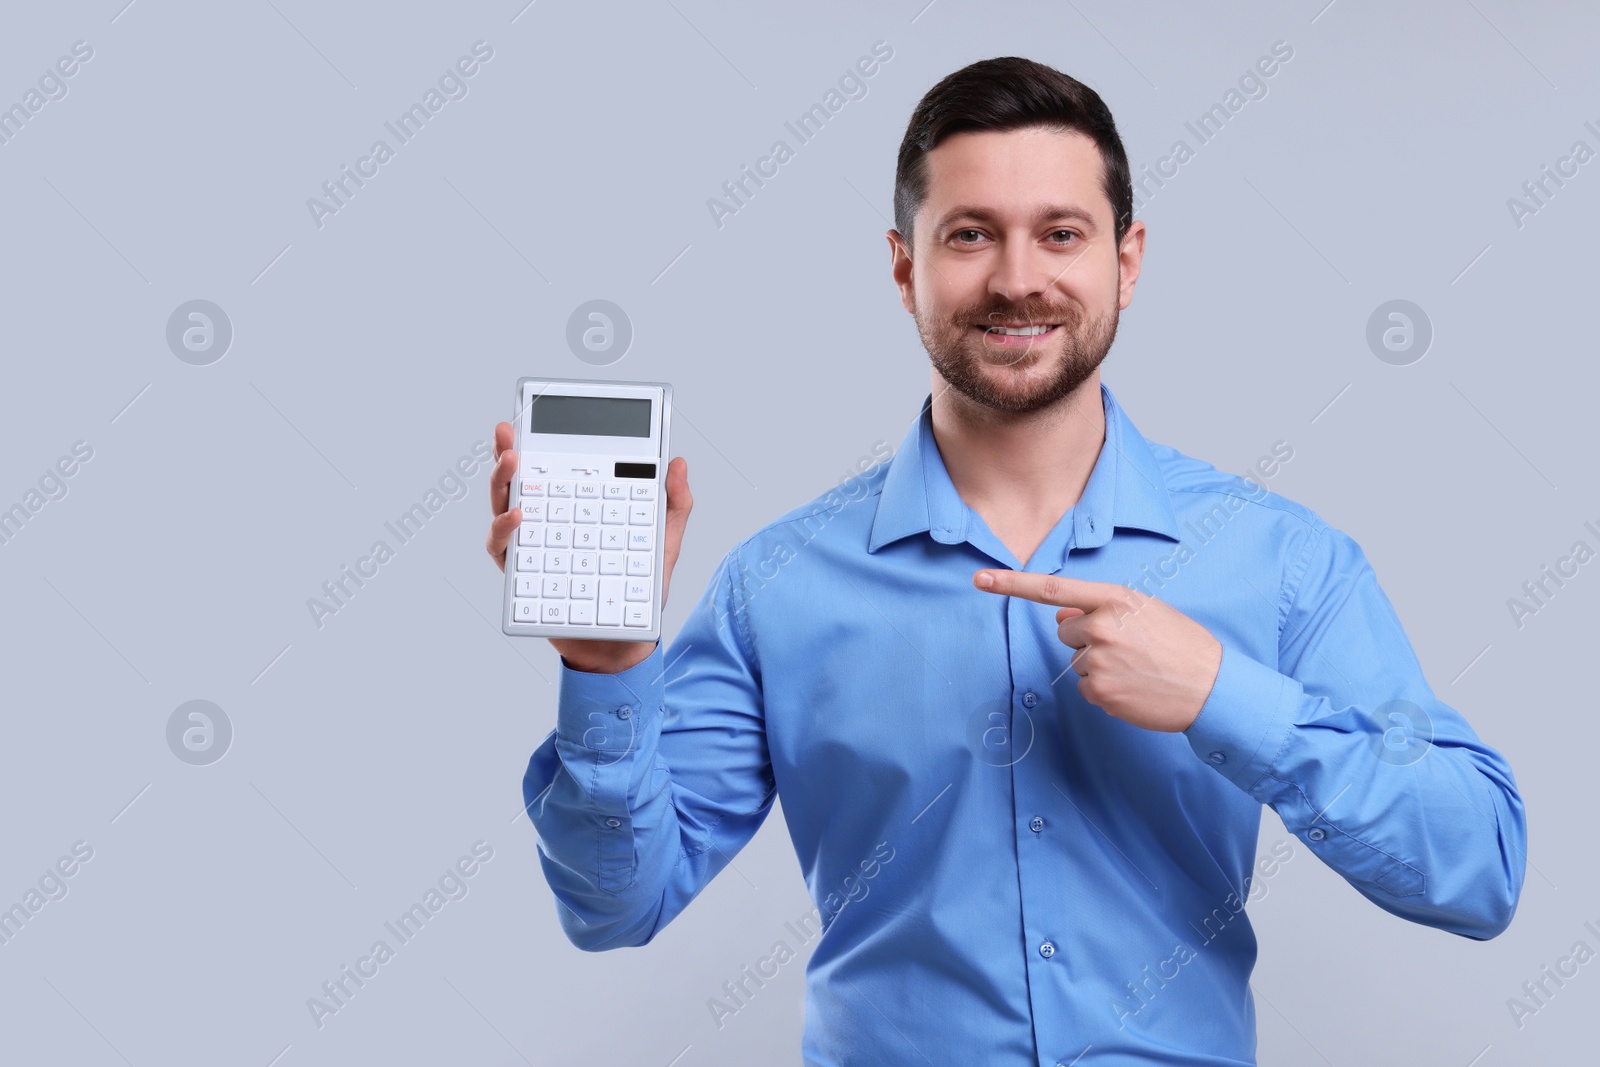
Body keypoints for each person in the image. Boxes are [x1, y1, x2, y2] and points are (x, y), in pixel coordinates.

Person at [484, 56, 1526, 1067]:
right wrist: (608, 668)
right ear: (905, 267)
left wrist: (1221, 693)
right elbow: (614, 906)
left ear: (1125, 258)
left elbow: (1476, 867)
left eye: (1060, 234)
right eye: (970, 235)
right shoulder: (777, 585)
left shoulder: (1282, 562)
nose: (1017, 278)